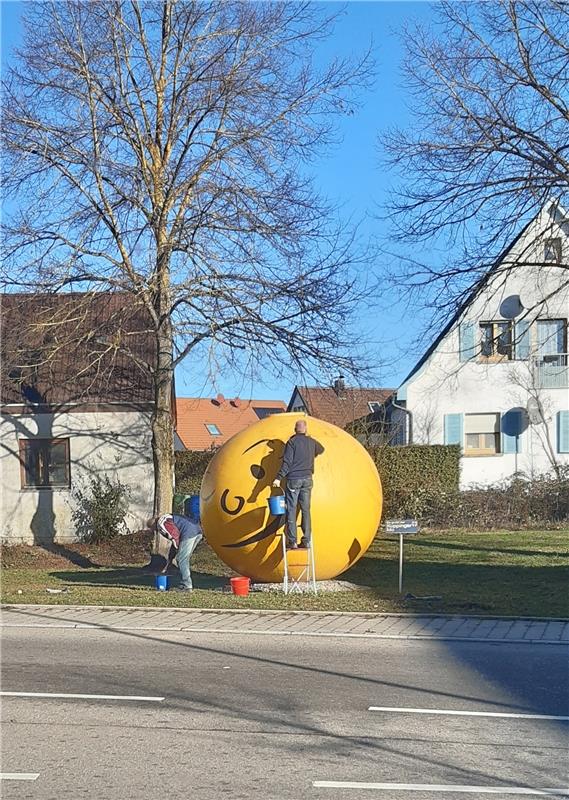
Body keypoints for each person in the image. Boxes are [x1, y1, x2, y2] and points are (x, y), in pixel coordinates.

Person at [272, 419, 324, 550]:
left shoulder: (291, 442)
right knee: (306, 510)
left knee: (291, 509)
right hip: (307, 479)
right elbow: (321, 449)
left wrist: (278, 478)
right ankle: (306, 540)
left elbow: (287, 462)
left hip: (294, 479)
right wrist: (311, 454)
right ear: (305, 429)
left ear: (295, 430)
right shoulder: (311, 442)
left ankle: (293, 541)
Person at [150, 510, 203, 592]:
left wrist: (177, 547)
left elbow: (174, 536)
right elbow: (173, 541)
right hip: (197, 530)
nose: (154, 531)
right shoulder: (168, 518)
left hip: (188, 532)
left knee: (181, 559)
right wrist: (170, 560)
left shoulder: (161, 523)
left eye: (152, 529)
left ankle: (186, 585)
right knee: (184, 559)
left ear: (153, 526)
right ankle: (185, 583)